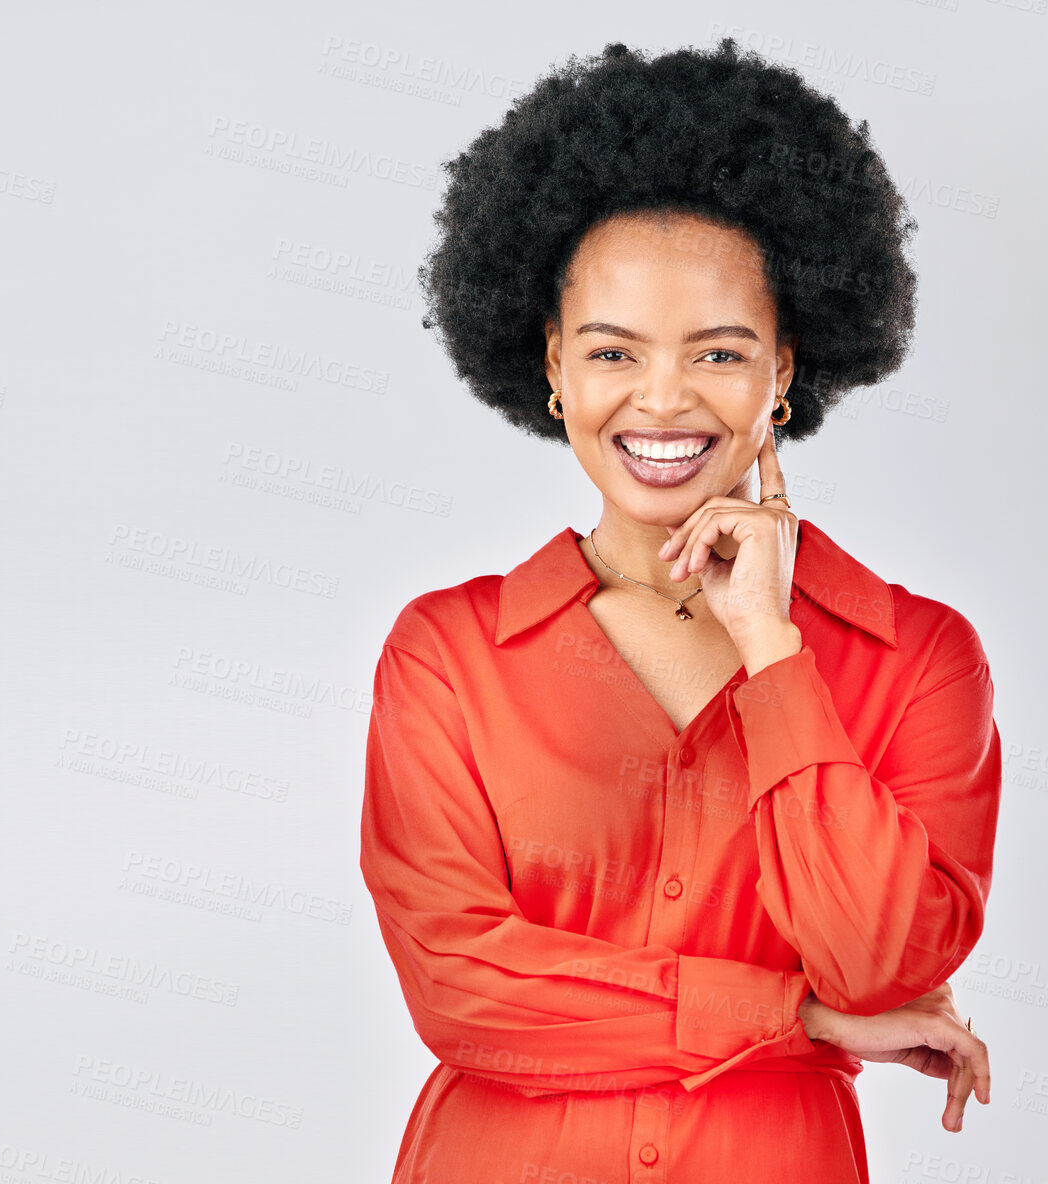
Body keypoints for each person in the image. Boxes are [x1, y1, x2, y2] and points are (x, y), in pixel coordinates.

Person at [359, 38, 1001, 1183]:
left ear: (781, 372)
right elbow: (460, 985)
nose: (660, 399)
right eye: (611, 350)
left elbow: (875, 962)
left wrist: (771, 650)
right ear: (552, 364)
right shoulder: (448, 653)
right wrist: (789, 1016)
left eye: (717, 350)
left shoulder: (918, 660)